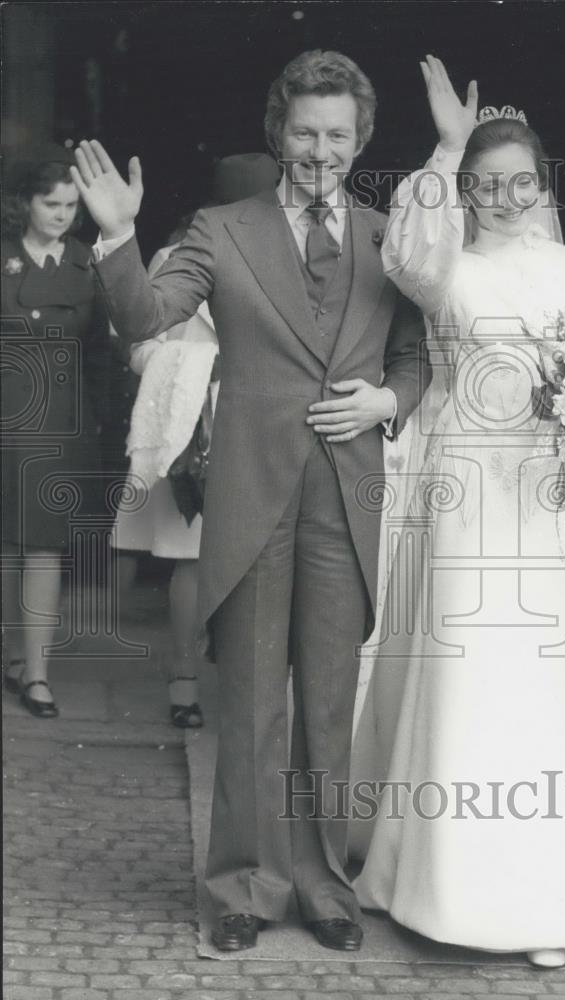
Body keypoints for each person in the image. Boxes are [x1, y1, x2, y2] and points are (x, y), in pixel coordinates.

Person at [70, 50, 429, 953]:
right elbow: (147, 319)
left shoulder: (393, 238)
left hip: (347, 494)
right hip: (250, 495)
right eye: (304, 131)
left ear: (360, 139)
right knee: (253, 701)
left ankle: (324, 886)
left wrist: (389, 401)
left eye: (336, 134)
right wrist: (117, 239)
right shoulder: (220, 229)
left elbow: (415, 358)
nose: (319, 149)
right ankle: (243, 883)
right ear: (279, 134)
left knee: (329, 701)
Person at [351, 56, 565, 968]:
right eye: (484, 185)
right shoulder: (446, 270)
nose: (503, 198)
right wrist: (445, 149)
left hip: (553, 499)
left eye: (519, 182)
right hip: (466, 495)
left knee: (547, 692)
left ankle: (551, 897)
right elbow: (404, 252)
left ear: (544, 185)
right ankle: (443, 884)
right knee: (471, 678)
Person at [112, 153, 280, 729]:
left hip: (268, 428)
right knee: (191, 559)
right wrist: (199, 367)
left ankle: (245, 686)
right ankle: (183, 683)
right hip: (193, 429)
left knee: (262, 561)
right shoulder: (176, 258)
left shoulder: (294, 258)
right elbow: (137, 345)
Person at [2, 144, 110, 719]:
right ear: (25, 203)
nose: (63, 214)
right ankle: (11, 655)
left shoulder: (87, 264)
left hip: (56, 425)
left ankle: (36, 675)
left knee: (42, 547)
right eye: (52, 203)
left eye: (72, 205)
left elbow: (100, 355)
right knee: (5, 550)